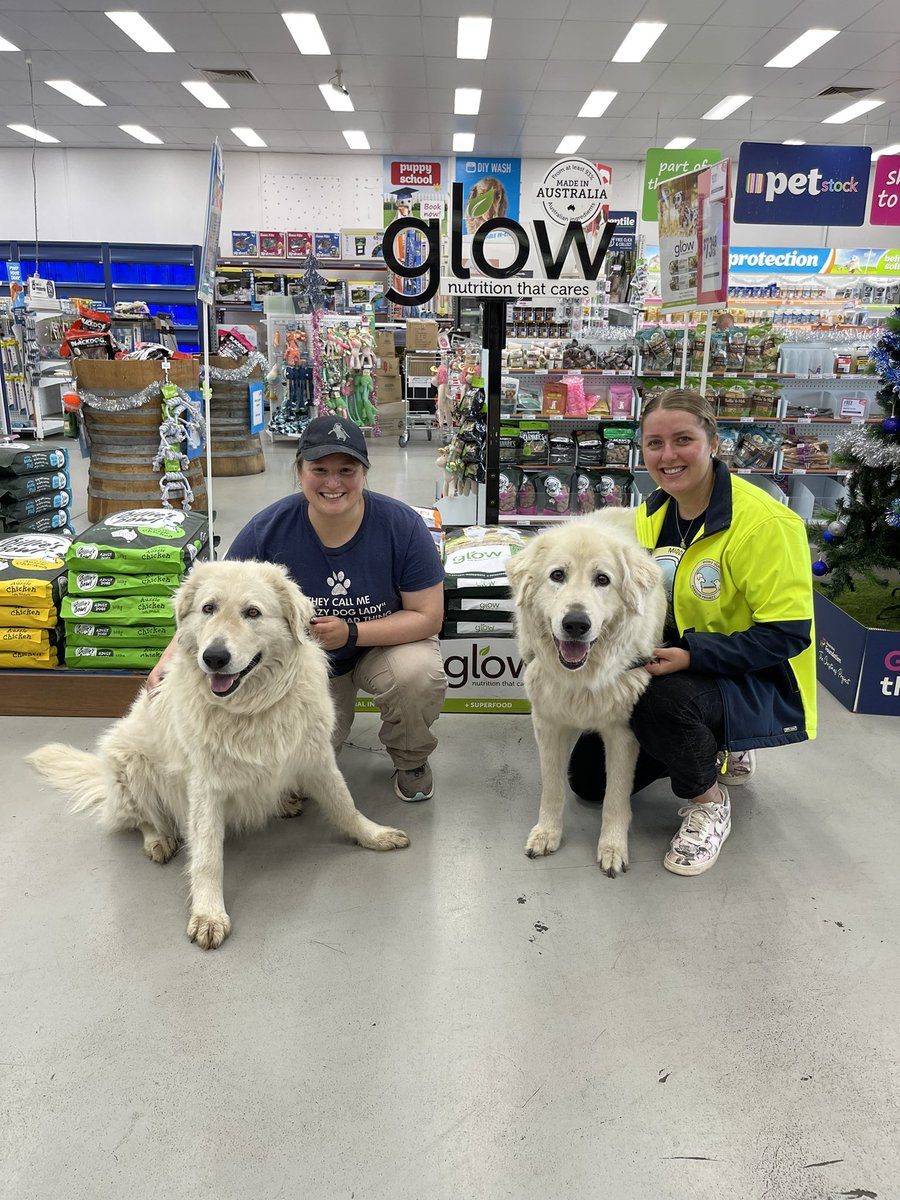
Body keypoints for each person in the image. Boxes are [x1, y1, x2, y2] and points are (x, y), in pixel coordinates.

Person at [569, 389, 817, 876]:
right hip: (677, 660)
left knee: (658, 705)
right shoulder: (650, 518)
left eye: (683, 439)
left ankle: (707, 801)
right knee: (588, 781)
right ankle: (710, 743)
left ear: (713, 443)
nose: (668, 455)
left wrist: (690, 656)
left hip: (760, 677)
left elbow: (787, 635)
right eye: (654, 443)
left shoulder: (764, 523)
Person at [150, 416, 447, 802]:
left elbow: (428, 616)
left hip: (382, 649)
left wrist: (353, 632)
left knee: (417, 673)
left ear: (365, 472)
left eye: (347, 470)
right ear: (299, 470)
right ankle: (293, 763)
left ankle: (411, 760)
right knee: (295, 789)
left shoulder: (401, 525)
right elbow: (211, 603)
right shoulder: (267, 529)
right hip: (305, 667)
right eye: (319, 469)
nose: (333, 483)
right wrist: (168, 661)